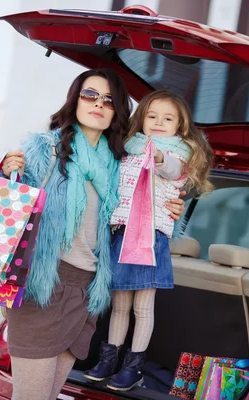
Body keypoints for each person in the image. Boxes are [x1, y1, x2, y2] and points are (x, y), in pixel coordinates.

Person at [0, 71, 186, 400]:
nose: (99, 104)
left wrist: (170, 207)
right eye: (90, 95)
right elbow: (8, 208)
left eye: (109, 100)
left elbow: (144, 201)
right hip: (43, 286)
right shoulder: (44, 149)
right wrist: (4, 172)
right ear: (75, 100)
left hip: (86, 292)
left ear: (117, 112)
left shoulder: (119, 162)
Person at [84, 90, 213, 391]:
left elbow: (172, 169)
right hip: (121, 233)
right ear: (141, 119)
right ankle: (109, 358)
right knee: (119, 306)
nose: (158, 122)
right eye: (152, 116)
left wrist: (157, 155)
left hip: (149, 237)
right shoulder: (129, 148)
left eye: (168, 118)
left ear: (180, 127)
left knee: (142, 307)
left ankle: (134, 365)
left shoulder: (180, 152)